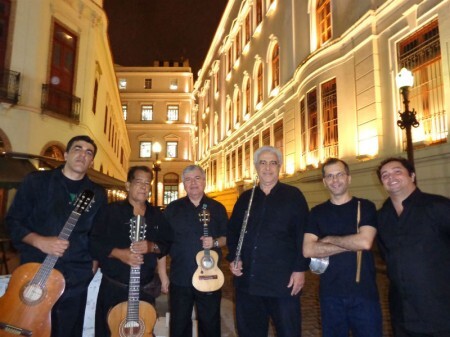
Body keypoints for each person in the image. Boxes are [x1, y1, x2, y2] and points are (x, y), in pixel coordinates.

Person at [5, 135, 107, 337]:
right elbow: (12, 222)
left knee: (68, 330)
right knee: (30, 326)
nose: (83, 155)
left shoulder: (97, 193)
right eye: (78, 149)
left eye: (89, 152)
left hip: (76, 275)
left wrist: (94, 261)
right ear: (66, 154)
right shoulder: (37, 182)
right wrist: (39, 241)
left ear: (92, 161)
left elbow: (99, 233)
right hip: (36, 270)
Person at [227, 145, 309, 337]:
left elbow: (303, 234)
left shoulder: (293, 196)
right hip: (249, 282)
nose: (267, 168)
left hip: (282, 282)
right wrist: (234, 257)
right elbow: (233, 232)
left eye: (273, 163)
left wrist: (300, 269)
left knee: (288, 332)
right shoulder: (246, 198)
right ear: (256, 167)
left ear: (279, 166)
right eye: (262, 163)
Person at [303, 158, 382, 337]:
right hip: (330, 294)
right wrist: (350, 243)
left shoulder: (365, 206)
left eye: (339, 175)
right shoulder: (317, 212)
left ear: (348, 178)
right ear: (324, 182)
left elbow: (365, 242)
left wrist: (329, 240)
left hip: (364, 294)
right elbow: (308, 250)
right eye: (329, 176)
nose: (335, 180)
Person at [90, 166, 170, 336]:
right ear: (127, 185)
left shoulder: (156, 215)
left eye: (147, 183)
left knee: (142, 330)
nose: (143, 187)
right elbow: (94, 242)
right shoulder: (110, 211)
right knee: (109, 331)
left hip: (144, 289)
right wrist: (120, 254)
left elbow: (166, 244)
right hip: (114, 288)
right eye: (138, 182)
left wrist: (151, 247)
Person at [376, 157, 450, 337]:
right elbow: (387, 255)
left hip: (440, 309)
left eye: (397, 171)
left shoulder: (438, 206)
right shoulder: (382, 217)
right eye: (385, 175)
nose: (391, 177)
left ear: (412, 175)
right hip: (402, 311)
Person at [163, 165, 228, 337]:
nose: (193, 183)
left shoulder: (217, 208)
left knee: (210, 323)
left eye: (197, 178)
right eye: (188, 179)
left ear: (205, 181)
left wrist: (214, 242)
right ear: (183, 184)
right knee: (179, 323)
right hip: (180, 276)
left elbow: (227, 237)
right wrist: (163, 275)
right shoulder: (172, 209)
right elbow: (162, 243)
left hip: (210, 276)